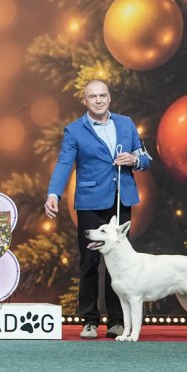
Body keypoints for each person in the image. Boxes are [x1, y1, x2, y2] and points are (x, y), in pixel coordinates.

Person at [44, 80, 151, 339]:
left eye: (103, 95)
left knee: (120, 262)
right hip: (90, 202)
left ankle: (117, 321)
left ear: (110, 98)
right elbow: (64, 164)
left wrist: (134, 160)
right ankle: (90, 321)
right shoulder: (74, 130)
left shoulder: (126, 124)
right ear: (85, 101)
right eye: (93, 97)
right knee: (90, 262)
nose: (99, 100)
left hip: (120, 200)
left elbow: (145, 158)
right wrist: (53, 194)